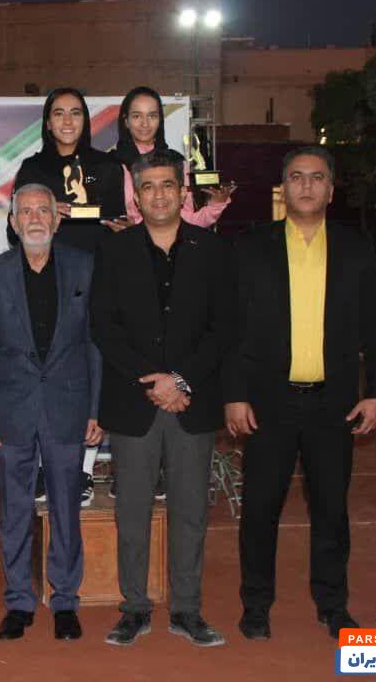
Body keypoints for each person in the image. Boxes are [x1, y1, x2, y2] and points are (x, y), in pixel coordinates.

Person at [224, 146, 376, 641]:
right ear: (283, 189)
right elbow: (230, 328)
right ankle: (256, 605)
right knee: (260, 509)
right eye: (297, 177)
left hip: (333, 405)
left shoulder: (356, 248)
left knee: (331, 510)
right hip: (267, 404)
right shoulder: (250, 246)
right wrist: (234, 393)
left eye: (316, 178)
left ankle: (333, 604)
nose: (306, 185)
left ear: (331, 190)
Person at [89, 151, 234, 647]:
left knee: (191, 513)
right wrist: (153, 381)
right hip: (136, 402)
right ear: (137, 196)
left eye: (167, 185)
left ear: (183, 191)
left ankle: (187, 610)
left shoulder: (211, 249)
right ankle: (135, 608)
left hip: (191, 403)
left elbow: (223, 326)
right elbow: (103, 325)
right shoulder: (115, 249)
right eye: (148, 186)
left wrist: (181, 380)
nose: (158, 195)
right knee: (132, 513)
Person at [0, 183, 103, 642]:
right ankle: (19, 602)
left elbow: (95, 344)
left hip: (68, 406)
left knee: (67, 508)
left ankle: (65, 601)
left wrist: (96, 408)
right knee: (14, 510)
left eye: (42, 210)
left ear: (57, 218)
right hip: (10, 410)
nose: (34, 219)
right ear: (12, 222)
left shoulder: (85, 267)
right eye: (25, 211)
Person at [13, 88, 125, 255]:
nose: (67, 121)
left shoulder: (107, 165)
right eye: (59, 114)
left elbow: (119, 225)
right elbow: (13, 233)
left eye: (75, 113)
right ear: (48, 123)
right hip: (48, 264)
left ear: (85, 121)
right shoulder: (32, 169)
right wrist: (44, 212)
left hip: (100, 264)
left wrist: (126, 230)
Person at [108, 86, 233, 231]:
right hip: (129, 244)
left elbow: (188, 221)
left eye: (152, 116)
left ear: (160, 120)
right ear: (126, 121)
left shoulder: (176, 161)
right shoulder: (110, 164)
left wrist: (217, 204)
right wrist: (131, 234)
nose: (145, 123)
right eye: (137, 116)